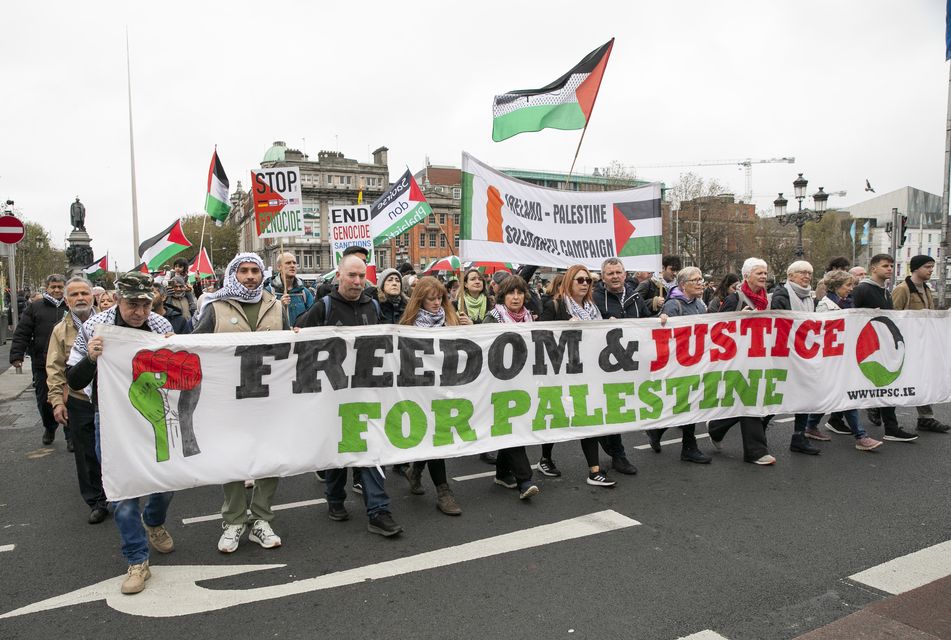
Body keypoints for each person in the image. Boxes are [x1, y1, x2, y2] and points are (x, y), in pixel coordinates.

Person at [66, 271, 175, 595]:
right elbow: (73, 378)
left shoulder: (161, 327)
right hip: (111, 419)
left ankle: (153, 521)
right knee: (122, 491)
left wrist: (172, 353)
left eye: (145, 304)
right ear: (119, 299)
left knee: (166, 481)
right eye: (132, 304)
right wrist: (91, 357)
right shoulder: (94, 327)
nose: (139, 312)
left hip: (152, 418)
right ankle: (137, 560)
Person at [296, 254, 403, 537]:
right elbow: (303, 347)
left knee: (370, 448)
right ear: (339, 277)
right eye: (351, 276)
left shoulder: (374, 306)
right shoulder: (323, 307)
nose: (357, 282)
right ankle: (334, 499)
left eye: (361, 276)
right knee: (337, 451)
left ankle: (378, 510)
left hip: (367, 391)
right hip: (334, 395)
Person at [191, 253, 286, 553]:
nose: (250, 276)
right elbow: (192, 345)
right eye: (243, 271)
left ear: (262, 274)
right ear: (233, 274)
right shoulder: (216, 308)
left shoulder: (276, 306)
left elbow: (290, 347)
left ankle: (261, 519)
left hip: (269, 397)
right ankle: (233, 520)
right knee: (231, 458)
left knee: (270, 457)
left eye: (255, 270)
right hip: (227, 400)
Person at [539, 264, 616, 487]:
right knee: (555, 417)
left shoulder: (594, 308)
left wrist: (610, 325)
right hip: (561, 373)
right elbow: (538, 336)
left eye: (588, 281)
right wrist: (562, 327)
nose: (585, 284)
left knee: (586, 416)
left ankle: (594, 470)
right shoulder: (554, 305)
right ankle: (545, 458)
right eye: (580, 280)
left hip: (588, 373)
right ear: (569, 282)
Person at [399, 277, 470, 515]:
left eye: (440, 297)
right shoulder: (408, 325)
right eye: (431, 298)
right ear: (420, 299)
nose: (437, 302)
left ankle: (416, 471)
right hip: (421, 389)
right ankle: (443, 491)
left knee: (434, 435)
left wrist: (468, 327)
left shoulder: (450, 319)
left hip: (446, 388)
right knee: (435, 437)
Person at [45, 276, 108, 523]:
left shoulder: (108, 322)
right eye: (74, 295)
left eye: (84, 293)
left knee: (112, 448)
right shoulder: (60, 331)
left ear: (92, 296)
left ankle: (117, 491)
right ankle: (96, 501)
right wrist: (57, 401)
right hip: (80, 399)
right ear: (67, 300)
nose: (80, 298)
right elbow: (54, 367)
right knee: (85, 452)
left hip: (109, 400)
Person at [706, 257, 776, 465]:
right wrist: (738, 317)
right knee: (750, 398)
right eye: (759, 273)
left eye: (765, 273)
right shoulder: (734, 299)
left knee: (757, 400)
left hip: (762, 357)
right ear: (746, 276)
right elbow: (717, 329)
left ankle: (716, 427)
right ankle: (756, 451)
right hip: (739, 361)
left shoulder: (769, 300)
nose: (764, 276)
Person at [806, 270, 883, 451]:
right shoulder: (825, 305)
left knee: (834, 394)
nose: (851, 289)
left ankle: (810, 425)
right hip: (832, 359)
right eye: (847, 285)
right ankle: (861, 436)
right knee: (846, 396)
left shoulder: (849, 303)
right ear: (836, 286)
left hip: (846, 356)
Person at [480, 275, 541, 500]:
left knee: (511, 428)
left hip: (523, 383)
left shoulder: (529, 318)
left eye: (520, 293)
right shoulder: (493, 318)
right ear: (502, 296)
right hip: (500, 384)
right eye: (510, 293)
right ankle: (525, 481)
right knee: (514, 429)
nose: (516, 298)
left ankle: (503, 473)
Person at [646, 267, 712, 464]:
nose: (700, 283)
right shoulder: (674, 305)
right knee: (684, 404)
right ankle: (688, 448)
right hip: (677, 364)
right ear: (683, 285)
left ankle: (658, 432)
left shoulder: (700, 305)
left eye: (701, 279)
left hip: (695, 363)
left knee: (689, 403)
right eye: (695, 280)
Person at [591, 257, 649, 475]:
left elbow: (646, 322)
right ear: (603, 277)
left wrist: (660, 318)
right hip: (604, 366)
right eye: (610, 273)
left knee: (622, 409)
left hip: (630, 365)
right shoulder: (595, 298)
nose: (615, 276)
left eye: (618, 272)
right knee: (611, 408)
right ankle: (618, 455)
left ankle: (608, 441)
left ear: (625, 274)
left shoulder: (635, 297)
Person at [851, 253, 918, 442]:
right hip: (866, 348)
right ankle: (830, 419)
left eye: (891, 265)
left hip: (882, 347)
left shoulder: (886, 291)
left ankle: (891, 426)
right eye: (885, 266)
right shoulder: (863, 289)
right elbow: (850, 314)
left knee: (888, 384)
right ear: (874, 269)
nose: (890, 269)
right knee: (854, 385)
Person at [770, 260, 827, 455]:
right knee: (776, 397)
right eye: (802, 272)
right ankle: (730, 427)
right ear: (790, 275)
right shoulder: (781, 295)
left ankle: (798, 436)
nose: (806, 276)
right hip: (786, 355)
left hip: (804, 354)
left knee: (804, 395)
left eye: (809, 273)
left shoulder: (810, 297)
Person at [891, 255, 949, 433]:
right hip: (906, 344)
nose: (931, 270)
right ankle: (880, 410)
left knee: (924, 379)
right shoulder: (902, 289)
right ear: (915, 268)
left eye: (932, 267)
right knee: (898, 381)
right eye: (927, 267)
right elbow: (893, 316)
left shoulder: (927, 289)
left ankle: (926, 418)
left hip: (922, 343)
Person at [10, 274, 68, 446]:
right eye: (53, 287)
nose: (57, 290)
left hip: (69, 363)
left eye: (60, 287)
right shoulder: (35, 308)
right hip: (42, 363)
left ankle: (71, 436)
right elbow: (22, 332)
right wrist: (16, 355)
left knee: (70, 399)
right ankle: (49, 427)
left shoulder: (71, 306)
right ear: (47, 288)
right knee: (44, 400)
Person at [265, 252, 315, 327]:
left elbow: (312, 316)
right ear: (279, 267)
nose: (292, 266)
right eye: (288, 263)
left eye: (294, 263)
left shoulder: (304, 292)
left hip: (300, 336)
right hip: (279, 336)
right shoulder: (269, 291)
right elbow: (264, 320)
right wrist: (279, 306)